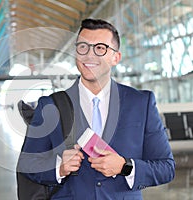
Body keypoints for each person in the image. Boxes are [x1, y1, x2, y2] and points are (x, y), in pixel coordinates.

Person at [17, 19, 175, 199]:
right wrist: (58, 167)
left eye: (100, 48)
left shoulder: (141, 103)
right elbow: (27, 163)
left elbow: (166, 168)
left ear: (116, 57)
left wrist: (125, 166)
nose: (89, 55)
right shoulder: (51, 105)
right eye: (83, 47)